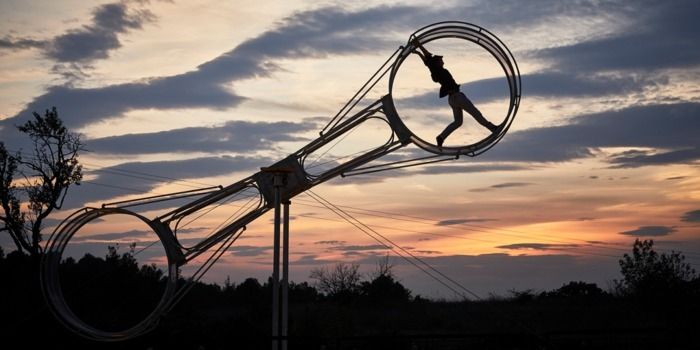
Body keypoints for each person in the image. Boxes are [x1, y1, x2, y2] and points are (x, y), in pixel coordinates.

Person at [411, 38, 499, 148]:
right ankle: (493, 128)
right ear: (437, 62)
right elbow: (428, 58)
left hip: (452, 100)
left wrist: (418, 51)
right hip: (458, 97)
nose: (443, 61)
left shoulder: (436, 72)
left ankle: (441, 137)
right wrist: (418, 46)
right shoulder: (440, 71)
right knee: (476, 113)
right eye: (441, 60)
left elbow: (427, 61)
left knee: (458, 122)